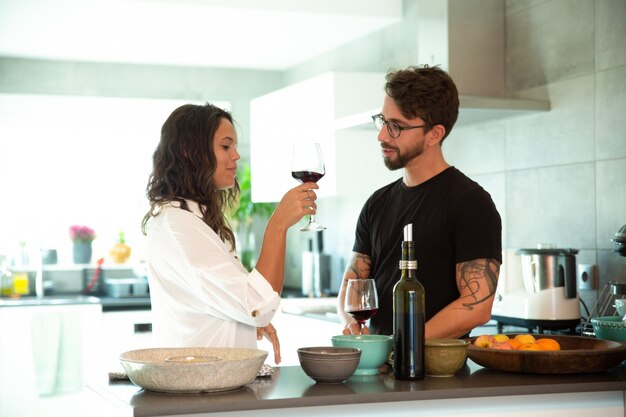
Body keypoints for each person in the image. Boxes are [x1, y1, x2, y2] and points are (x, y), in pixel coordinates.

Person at [141, 103, 318, 363]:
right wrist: (277, 225)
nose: (236, 156)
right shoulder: (179, 227)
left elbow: (235, 301)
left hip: (214, 384)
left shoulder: (197, 221)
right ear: (191, 152)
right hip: (199, 387)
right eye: (226, 146)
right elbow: (255, 304)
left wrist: (246, 322)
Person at [338, 65, 502, 339]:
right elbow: (352, 289)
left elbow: (477, 307)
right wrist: (353, 324)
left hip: (438, 376)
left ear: (434, 134)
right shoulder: (376, 204)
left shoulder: (470, 203)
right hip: (381, 368)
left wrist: (403, 346)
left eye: (396, 127)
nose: (381, 135)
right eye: (382, 121)